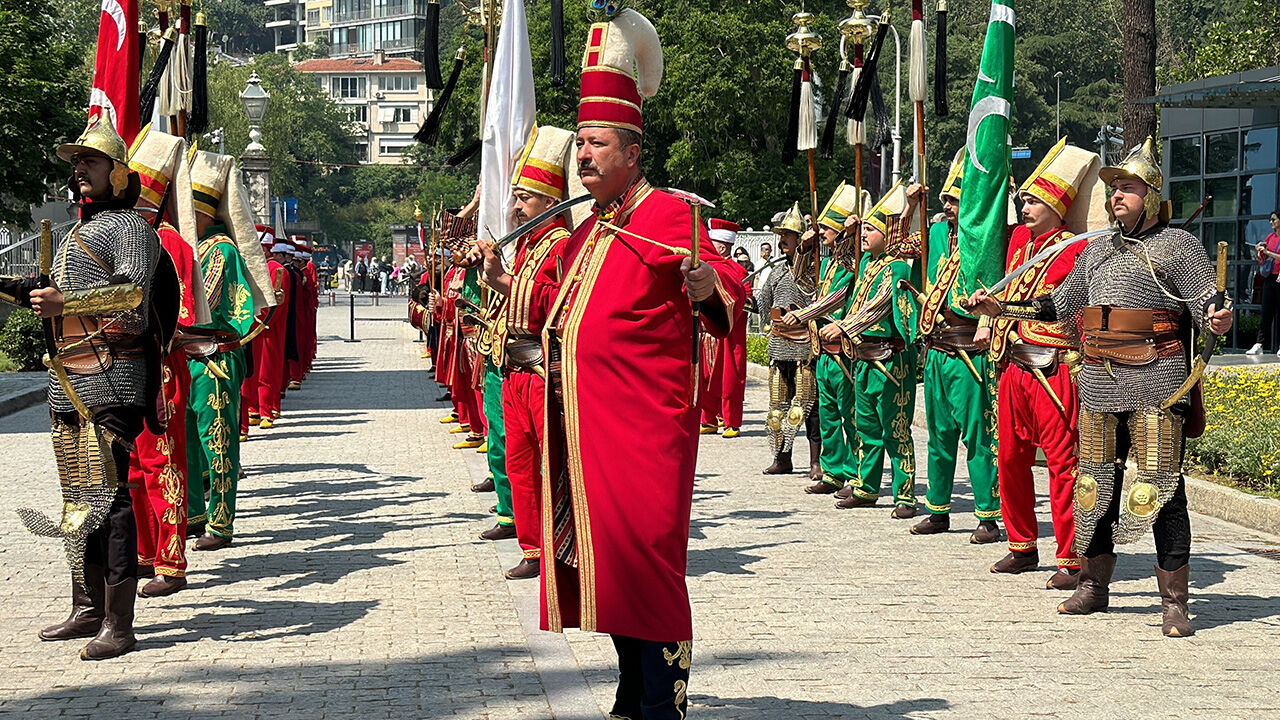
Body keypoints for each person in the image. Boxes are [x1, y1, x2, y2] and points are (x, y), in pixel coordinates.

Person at [536, 10, 746, 718]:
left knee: (648, 569)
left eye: (595, 145)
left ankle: (663, 704)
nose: (583, 157)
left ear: (631, 150)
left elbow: (729, 283)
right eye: (581, 147)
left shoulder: (668, 215)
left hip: (643, 436)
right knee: (610, 571)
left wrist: (705, 288)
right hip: (589, 433)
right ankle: (631, 695)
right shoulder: (588, 226)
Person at [967, 137, 1233, 637]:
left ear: (1151, 195)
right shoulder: (1096, 250)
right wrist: (1004, 309)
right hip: (1099, 383)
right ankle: (1093, 583)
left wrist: (1219, 318)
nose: (1116, 196)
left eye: (1127, 188)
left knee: (1163, 494)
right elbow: (1059, 304)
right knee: (1093, 489)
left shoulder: (1179, 246)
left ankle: (1175, 601)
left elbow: (1206, 305)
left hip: (1157, 381)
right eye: (1113, 188)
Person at [3, 117, 161, 660]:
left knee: (111, 501)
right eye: (75, 165)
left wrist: (64, 304)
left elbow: (135, 303)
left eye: (89, 163)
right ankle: (86, 605)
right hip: (68, 379)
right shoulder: (76, 232)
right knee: (77, 498)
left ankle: (120, 622)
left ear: (117, 173)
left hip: (115, 375)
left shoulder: (133, 228)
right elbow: (52, 292)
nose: (79, 173)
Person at [984, 139, 1106, 589]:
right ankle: (1021, 544)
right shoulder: (1019, 241)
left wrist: (1005, 312)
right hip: (1013, 363)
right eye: (1025, 199)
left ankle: (1072, 558)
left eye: (1035, 200)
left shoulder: (1076, 249)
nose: (1026, 206)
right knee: (1010, 458)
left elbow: (1058, 306)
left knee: (1061, 463)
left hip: (1053, 366)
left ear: (1058, 206)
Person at [471, 124, 577, 579]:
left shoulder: (561, 246)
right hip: (512, 370)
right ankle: (532, 548)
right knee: (517, 463)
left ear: (548, 204)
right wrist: (492, 275)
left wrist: (501, 277)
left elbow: (549, 307)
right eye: (515, 196)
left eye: (523, 198)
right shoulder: (531, 245)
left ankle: (559, 547)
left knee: (550, 464)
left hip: (541, 371)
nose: (515, 206)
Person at [123, 126, 206, 596]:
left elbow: (182, 317)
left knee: (161, 462)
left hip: (161, 369)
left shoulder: (169, 241)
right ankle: (143, 552)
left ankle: (171, 561)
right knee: (133, 467)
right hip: (126, 367)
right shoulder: (135, 234)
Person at [907, 150, 1002, 543]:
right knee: (939, 434)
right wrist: (912, 205)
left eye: (955, 199)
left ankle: (987, 515)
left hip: (969, 352)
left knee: (976, 435)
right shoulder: (937, 235)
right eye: (945, 199)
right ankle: (938, 508)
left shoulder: (986, 238)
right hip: (936, 351)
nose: (947, 206)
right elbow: (899, 246)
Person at [184, 150, 273, 553]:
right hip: (183, 357)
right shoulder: (188, 246)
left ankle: (221, 524)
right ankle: (193, 514)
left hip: (213, 356)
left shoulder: (220, 251)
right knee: (186, 443)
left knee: (216, 443)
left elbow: (218, 311)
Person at [830, 183, 920, 517]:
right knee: (865, 428)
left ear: (886, 234)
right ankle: (866, 488)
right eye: (863, 229)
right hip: (863, 356)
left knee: (895, 428)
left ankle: (905, 496)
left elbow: (880, 304)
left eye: (870, 228)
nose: (864, 234)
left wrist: (843, 326)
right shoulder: (865, 262)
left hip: (891, 358)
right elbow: (838, 257)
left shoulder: (896, 266)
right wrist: (848, 230)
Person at [781, 184, 867, 496]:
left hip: (843, 351)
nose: (823, 231)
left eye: (828, 227)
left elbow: (835, 298)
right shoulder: (828, 260)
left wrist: (803, 314)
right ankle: (832, 473)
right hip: (823, 352)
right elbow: (802, 280)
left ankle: (857, 475)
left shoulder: (850, 262)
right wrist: (804, 247)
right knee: (828, 415)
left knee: (850, 416)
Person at [755, 203, 821, 477]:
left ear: (798, 239)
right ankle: (782, 458)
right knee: (777, 409)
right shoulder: (777, 271)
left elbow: (817, 300)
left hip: (803, 346)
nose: (781, 240)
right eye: (780, 235)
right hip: (779, 345)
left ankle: (816, 462)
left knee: (808, 408)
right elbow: (763, 304)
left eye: (787, 235)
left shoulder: (813, 268)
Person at [697, 219, 749, 438]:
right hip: (705, 333)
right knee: (705, 377)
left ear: (722, 246)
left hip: (728, 333)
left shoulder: (739, 272)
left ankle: (731, 421)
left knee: (730, 376)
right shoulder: (704, 266)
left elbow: (748, 302)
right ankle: (708, 419)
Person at [1248, 210, 1280, 355]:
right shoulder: (1270, 237)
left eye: (1273, 219)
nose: (1271, 222)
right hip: (1269, 278)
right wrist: (1261, 251)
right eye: (1270, 220)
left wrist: (1268, 253)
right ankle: (1259, 344)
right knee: (1266, 312)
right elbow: (1263, 259)